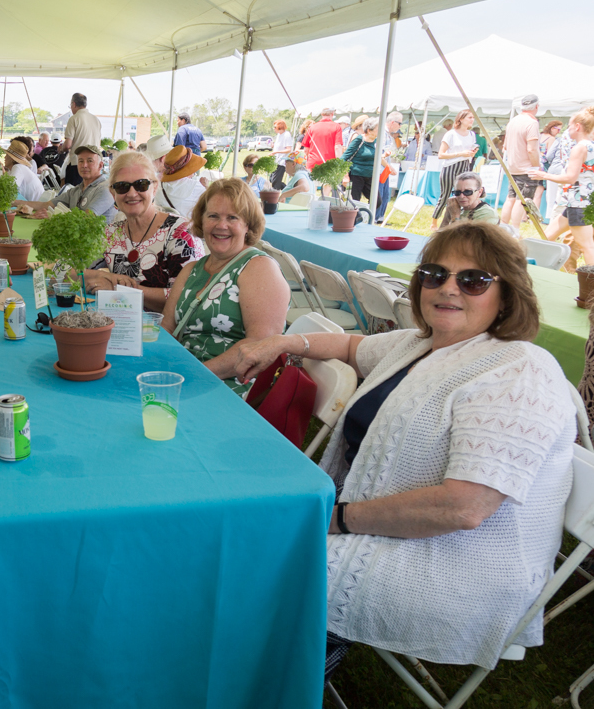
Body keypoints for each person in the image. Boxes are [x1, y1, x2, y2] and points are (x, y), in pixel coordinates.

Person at [233, 221, 574, 678]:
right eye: (435, 274)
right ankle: (259, 659)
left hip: (456, 563)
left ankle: (276, 669)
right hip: (373, 521)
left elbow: (464, 508)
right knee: (240, 532)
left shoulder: (519, 373)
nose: (448, 288)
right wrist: (282, 341)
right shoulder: (423, 344)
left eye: (472, 280)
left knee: (258, 556)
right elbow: (354, 345)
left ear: (508, 294)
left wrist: (339, 518)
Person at [162, 178, 289, 397]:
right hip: (183, 376)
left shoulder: (258, 268)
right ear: (202, 220)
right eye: (213, 216)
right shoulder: (191, 270)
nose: (221, 225)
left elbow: (260, 345)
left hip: (230, 385)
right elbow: (167, 327)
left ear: (247, 224)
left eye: (232, 217)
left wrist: (193, 375)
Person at [82, 152, 204, 312]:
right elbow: (68, 271)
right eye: (122, 187)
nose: (132, 193)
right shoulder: (111, 233)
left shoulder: (180, 233)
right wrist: (103, 276)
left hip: (166, 332)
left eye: (141, 185)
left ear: (154, 187)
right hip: (122, 325)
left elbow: (186, 299)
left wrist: (119, 289)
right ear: (113, 193)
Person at [531, 107, 594, 267]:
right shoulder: (590, 146)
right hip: (581, 202)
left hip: (578, 203)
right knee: (546, 236)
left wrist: (544, 175)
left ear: (578, 126)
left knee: (587, 246)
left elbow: (570, 178)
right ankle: (528, 265)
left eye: (570, 126)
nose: (567, 129)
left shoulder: (579, 148)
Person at [16, 144, 117, 222]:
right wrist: (13, 202)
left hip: (101, 246)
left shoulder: (105, 189)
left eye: (90, 161)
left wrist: (52, 216)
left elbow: (86, 219)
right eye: (81, 161)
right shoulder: (76, 190)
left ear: (100, 165)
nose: (84, 165)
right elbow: (47, 205)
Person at [432, 109, 480, 228]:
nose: (472, 120)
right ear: (461, 119)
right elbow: (441, 154)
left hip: (466, 165)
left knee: (464, 195)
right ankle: (434, 222)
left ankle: (460, 221)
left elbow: (469, 153)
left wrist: (471, 153)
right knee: (445, 195)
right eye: (470, 117)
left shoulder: (472, 134)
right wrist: (461, 154)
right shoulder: (451, 134)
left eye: (473, 117)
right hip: (450, 166)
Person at [502, 95, 542, 228]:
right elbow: (532, 149)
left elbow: (505, 146)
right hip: (527, 168)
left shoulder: (512, 121)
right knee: (522, 201)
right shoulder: (532, 123)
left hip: (513, 166)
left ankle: (503, 227)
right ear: (536, 106)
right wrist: (536, 167)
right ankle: (515, 230)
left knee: (510, 198)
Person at [151, 140, 206, 218]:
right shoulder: (196, 187)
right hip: (188, 228)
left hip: (164, 228)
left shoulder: (156, 186)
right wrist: (206, 186)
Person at [63, 93, 102, 186]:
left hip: (78, 164)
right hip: (94, 164)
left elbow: (68, 144)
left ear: (74, 104)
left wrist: (61, 149)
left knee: (73, 194)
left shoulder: (74, 118)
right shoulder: (96, 119)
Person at [342, 118, 380, 203]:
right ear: (369, 130)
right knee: (353, 203)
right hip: (356, 175)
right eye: (378, 129)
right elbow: (344, 158)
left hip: (370, 176)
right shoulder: (359, 140)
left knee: (376, 201)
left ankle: (366, 215)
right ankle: (356, 216)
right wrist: (345, 176)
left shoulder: (377, 142)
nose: (380, 131)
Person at [303, 108, 344, 172]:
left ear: (322, 114)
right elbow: (337, 147)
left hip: (313, 164)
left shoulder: (312, 127)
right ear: (332, 114)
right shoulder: (337, 127)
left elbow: (306, 150)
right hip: (329, 165)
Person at [270, 119, 294, 189]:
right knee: (272, 179)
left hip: (282, 161)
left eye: (275, 127)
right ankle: (287, 189)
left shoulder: (286, 135)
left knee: (276, 181)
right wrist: (273, 146)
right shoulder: (278, 135)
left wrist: (276, 152)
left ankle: (275, 196)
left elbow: (288, 149)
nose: (274, 129)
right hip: (276, 160)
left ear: (280, 127)